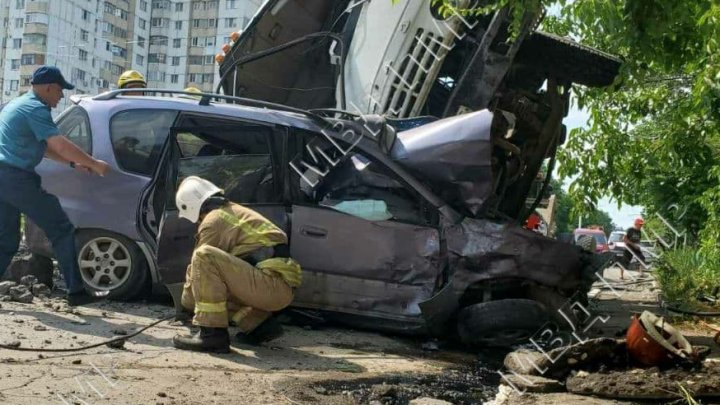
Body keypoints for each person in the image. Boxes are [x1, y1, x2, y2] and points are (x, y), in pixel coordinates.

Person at [0, 65, 111, 305]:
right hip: (16, 179)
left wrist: (74, 164)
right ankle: (77, 292)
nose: (61, 96)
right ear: (48, 87)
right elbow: (59, 144)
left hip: (4, 178)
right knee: (61, 229)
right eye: (60, 90)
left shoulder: (17, 104)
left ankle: (76, 291)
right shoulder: (35, 108)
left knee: (7, 241)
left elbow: (47, 149)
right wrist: (95, 163)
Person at [172, 176, 302, 353]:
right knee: (216, 285)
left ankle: (212, 336)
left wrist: (186, 304)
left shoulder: (213, 221)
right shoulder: (232, 212)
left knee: (204, 257)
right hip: (277, 287)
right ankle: (260, 326)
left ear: (193, 207)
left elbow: (199, 271)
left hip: (270, 286)